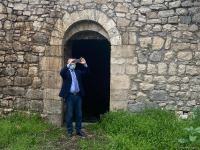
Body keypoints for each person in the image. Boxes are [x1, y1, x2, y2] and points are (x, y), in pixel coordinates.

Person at [59, 57, 89, 138]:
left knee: (79, 114)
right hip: (69, 96)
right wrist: (68, 64)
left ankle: (78, 130)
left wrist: (85, 64)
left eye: (74, 63)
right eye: (72, 63)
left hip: (78, 96)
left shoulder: (78, 72)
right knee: (70, 114)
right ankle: (69, 131)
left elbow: (86, 73)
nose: (73, 64)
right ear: (68, 64)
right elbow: (61, 72)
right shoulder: (66, 73)